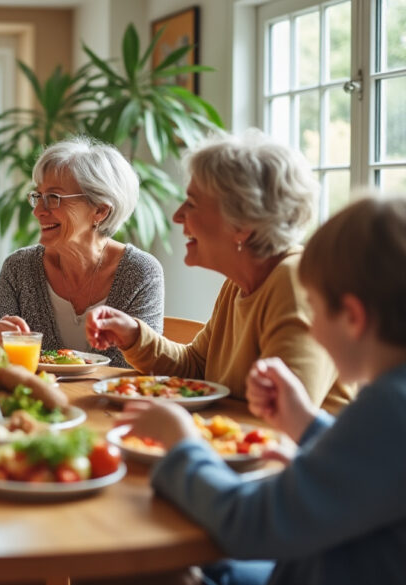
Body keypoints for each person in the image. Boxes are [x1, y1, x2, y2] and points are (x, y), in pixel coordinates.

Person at [120, 196, 406, 585]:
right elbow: (369, 468)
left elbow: (250, 525)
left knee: (143, 571)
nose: (312, 329)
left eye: (316, 310)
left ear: (353, 317)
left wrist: (183, 444)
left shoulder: (389, 406)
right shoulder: (392, 399)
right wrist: (308, 426)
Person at [86, 130, 354, 411]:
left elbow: (284, 416)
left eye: (192, 203)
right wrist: (133, 335)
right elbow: (195, 367)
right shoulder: (239, 283)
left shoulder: (294, 283)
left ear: (242, 223)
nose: (177, 216)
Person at [0, 137, 164, 366]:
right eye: (38, 197)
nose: (38, 212)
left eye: (53, 198)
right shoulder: (20, 267)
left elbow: (148, 366)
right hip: (34, 399)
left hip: (110, 402)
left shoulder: (140, 272)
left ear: (100, 210)